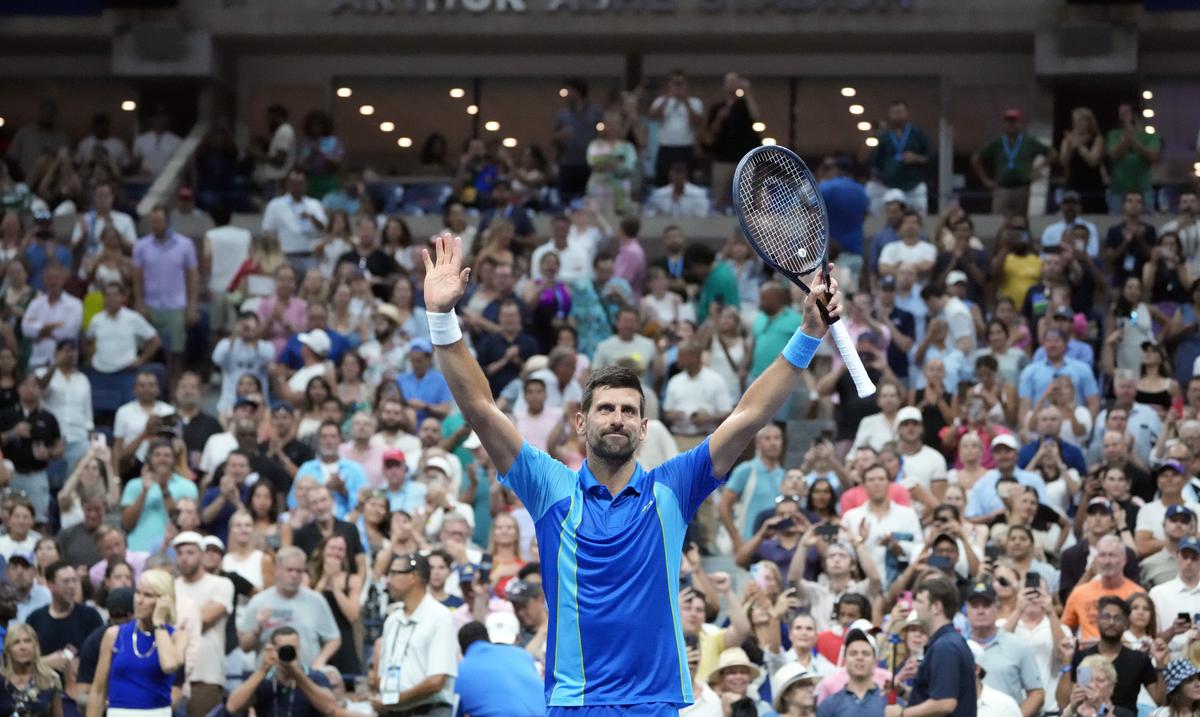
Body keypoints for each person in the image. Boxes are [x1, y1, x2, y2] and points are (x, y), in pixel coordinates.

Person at [420, 232, 841, 712]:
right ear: (580, 423)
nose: (615, 417)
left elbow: (748, 416)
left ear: (644, 428)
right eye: (604, 409)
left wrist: (808, 335)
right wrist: (441, 317)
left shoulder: (673, 488)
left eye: (627, 410)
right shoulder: (550, 489)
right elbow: (480, 409)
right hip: (575, 704)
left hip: (654, 704)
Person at [85, 569, 187, 717]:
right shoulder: (114, 634)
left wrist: (159, 623)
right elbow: (98, 691)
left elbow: (169, 665)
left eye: (147, 595)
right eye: (138, 592)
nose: (139, 600)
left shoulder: (177, 636)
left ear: (164, 601)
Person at [371, 552, 457, 716]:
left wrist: (395, 700)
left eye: (394, 573)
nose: (388, 580)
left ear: (413, 577)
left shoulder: (440, 617)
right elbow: (382, 675)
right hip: (393, 712)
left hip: (428, 711)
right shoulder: (392, 620)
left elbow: (436, 681)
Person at [885, 576, 975, 717]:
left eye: (920, 601)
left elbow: (945, 703)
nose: (915, 606)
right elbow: (934, 697)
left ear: (936, 607)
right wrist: (903, 691)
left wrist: (902, 713)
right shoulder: (947, 642)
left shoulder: (945, 646)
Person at [1056, 596, 1163, 714]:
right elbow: (1063, 702)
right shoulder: (1082, 657)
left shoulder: (1139, 659)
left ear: (1126, 623)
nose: (1111, 622)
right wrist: (1066, 659)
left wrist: (1160, 663)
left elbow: (1160, 701)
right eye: (1106, 617)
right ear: (1097, 620)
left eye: (1117, 618)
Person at [132, 205, 200, 387]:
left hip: (176, 305)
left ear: (167, 222)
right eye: (152, 222)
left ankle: (175, 390)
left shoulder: (185, 245)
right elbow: (137, 278)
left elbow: (192, 277)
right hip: (150, 305)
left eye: (159, 221)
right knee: (148, 351)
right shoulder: (141, 246)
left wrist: (192, 305)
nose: (155, 225)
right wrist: (139, 302)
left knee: (176, 353)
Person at [171, 532, 234, 717]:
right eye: (180, 553)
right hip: (172, 675)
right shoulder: (171, 586)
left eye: (190, 552)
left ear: (202, 554)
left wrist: (178, 619)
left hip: (206, 674)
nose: (184, 558)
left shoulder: (221, 584)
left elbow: (203, 621)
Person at [963, 580, 1045, 717]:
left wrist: (1015, 715)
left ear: (997, 607)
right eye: (975, 606)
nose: (980, 611)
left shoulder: (1018, 645)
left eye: (986, 605)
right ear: (966, 609)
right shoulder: (957, 648)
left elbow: (1037, 693)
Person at [224, 626, 336, 717]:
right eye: (282, 649)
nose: (287, 653)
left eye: (292, 649)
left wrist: (297, 674)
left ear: (299, 648)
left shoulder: (315, 677)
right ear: (272, 650)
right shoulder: (263, 680)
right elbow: (232, 707)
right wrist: (262, 670)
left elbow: (329, 707)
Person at [0, 373, 64, 525]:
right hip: (10, 476)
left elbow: (59, 446)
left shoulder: (49, 418)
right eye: (26, 385)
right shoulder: (6, 414)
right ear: (19, 389)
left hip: (37, 475)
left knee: (39, 520)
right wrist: (12, 433)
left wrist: (49, 453)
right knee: (8, 519)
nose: (30, 389)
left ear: (41, 390)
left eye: (35, 385)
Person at [1061, 536, 1145, 645]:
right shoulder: (1080, 593)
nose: (1107, 561)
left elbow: (1146, 631)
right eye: (1102, 555)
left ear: (1124, 560)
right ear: (1095, 560)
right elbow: (1064, 628)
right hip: (1088, 656)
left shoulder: (1137, 594)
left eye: (1112, 555)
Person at [971, 108, 1053, 216]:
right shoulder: (998, 143)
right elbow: (976, 158)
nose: (1011, 124)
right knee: (998, 220)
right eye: (1008, 122)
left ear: (1019, 124)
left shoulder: (1028, 142)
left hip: (1022, 188)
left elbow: (1053, 154)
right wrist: (985, 180)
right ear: (1004, 124)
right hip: (1002, 188)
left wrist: (1038, 168)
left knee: (1020, 221)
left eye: (1014, 121)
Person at [454, 621, 544, 717]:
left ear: (462, 650)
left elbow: (454, 712)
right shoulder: (522, 655)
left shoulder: (460, 669)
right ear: (488, 639)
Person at [1105, 102, 1162, 214]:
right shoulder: (1114, 135)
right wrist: (1126, 138)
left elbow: (1153, 156)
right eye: (1120, 114)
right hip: (1118, 188)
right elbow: (1113, 155)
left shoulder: (1151, 136)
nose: (1122, 117)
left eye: (1125, 113)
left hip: (1143, 187)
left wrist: (1134, 140)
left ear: (1135, 115)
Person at [817, 627, 886, 717]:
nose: (859, 658)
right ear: (845, 660)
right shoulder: (829, 705)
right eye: (853, 653)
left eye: (865, 653)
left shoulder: (889, 702)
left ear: (874, 661)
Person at [0, 622, 63, 717]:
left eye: (27, 641)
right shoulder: (1, 678)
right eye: (16, 642)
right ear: (8, 649)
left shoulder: (51, 679)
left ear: (35, 646)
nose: (23, 647)